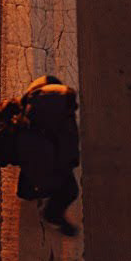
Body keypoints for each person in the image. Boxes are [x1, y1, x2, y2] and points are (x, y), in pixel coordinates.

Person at [16, 74, 81, 236]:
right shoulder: (63, 129)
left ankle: (26, 190)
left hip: (26, 150)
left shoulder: (34, 105)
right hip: (38, 159)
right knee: (70, 190)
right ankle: (52, 214)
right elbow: (66, 158)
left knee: (34, 160)